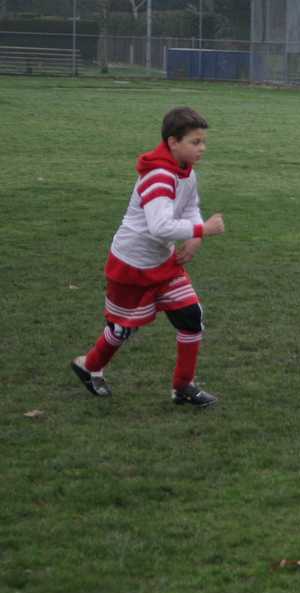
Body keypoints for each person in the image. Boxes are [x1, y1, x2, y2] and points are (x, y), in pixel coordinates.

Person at [71, 107, 225, 408]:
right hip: (132, 264)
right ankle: (89, 365)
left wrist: (195, 236)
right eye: (195, 142)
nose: (202, 148)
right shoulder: (159, 176)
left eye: (203, 141)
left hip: (163, 263)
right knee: (122, 328)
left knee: (191, 317)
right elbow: (159, 226)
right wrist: (202, 229)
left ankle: (183, 387)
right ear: (173, 142)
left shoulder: (186, 172)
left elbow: (190, 206)